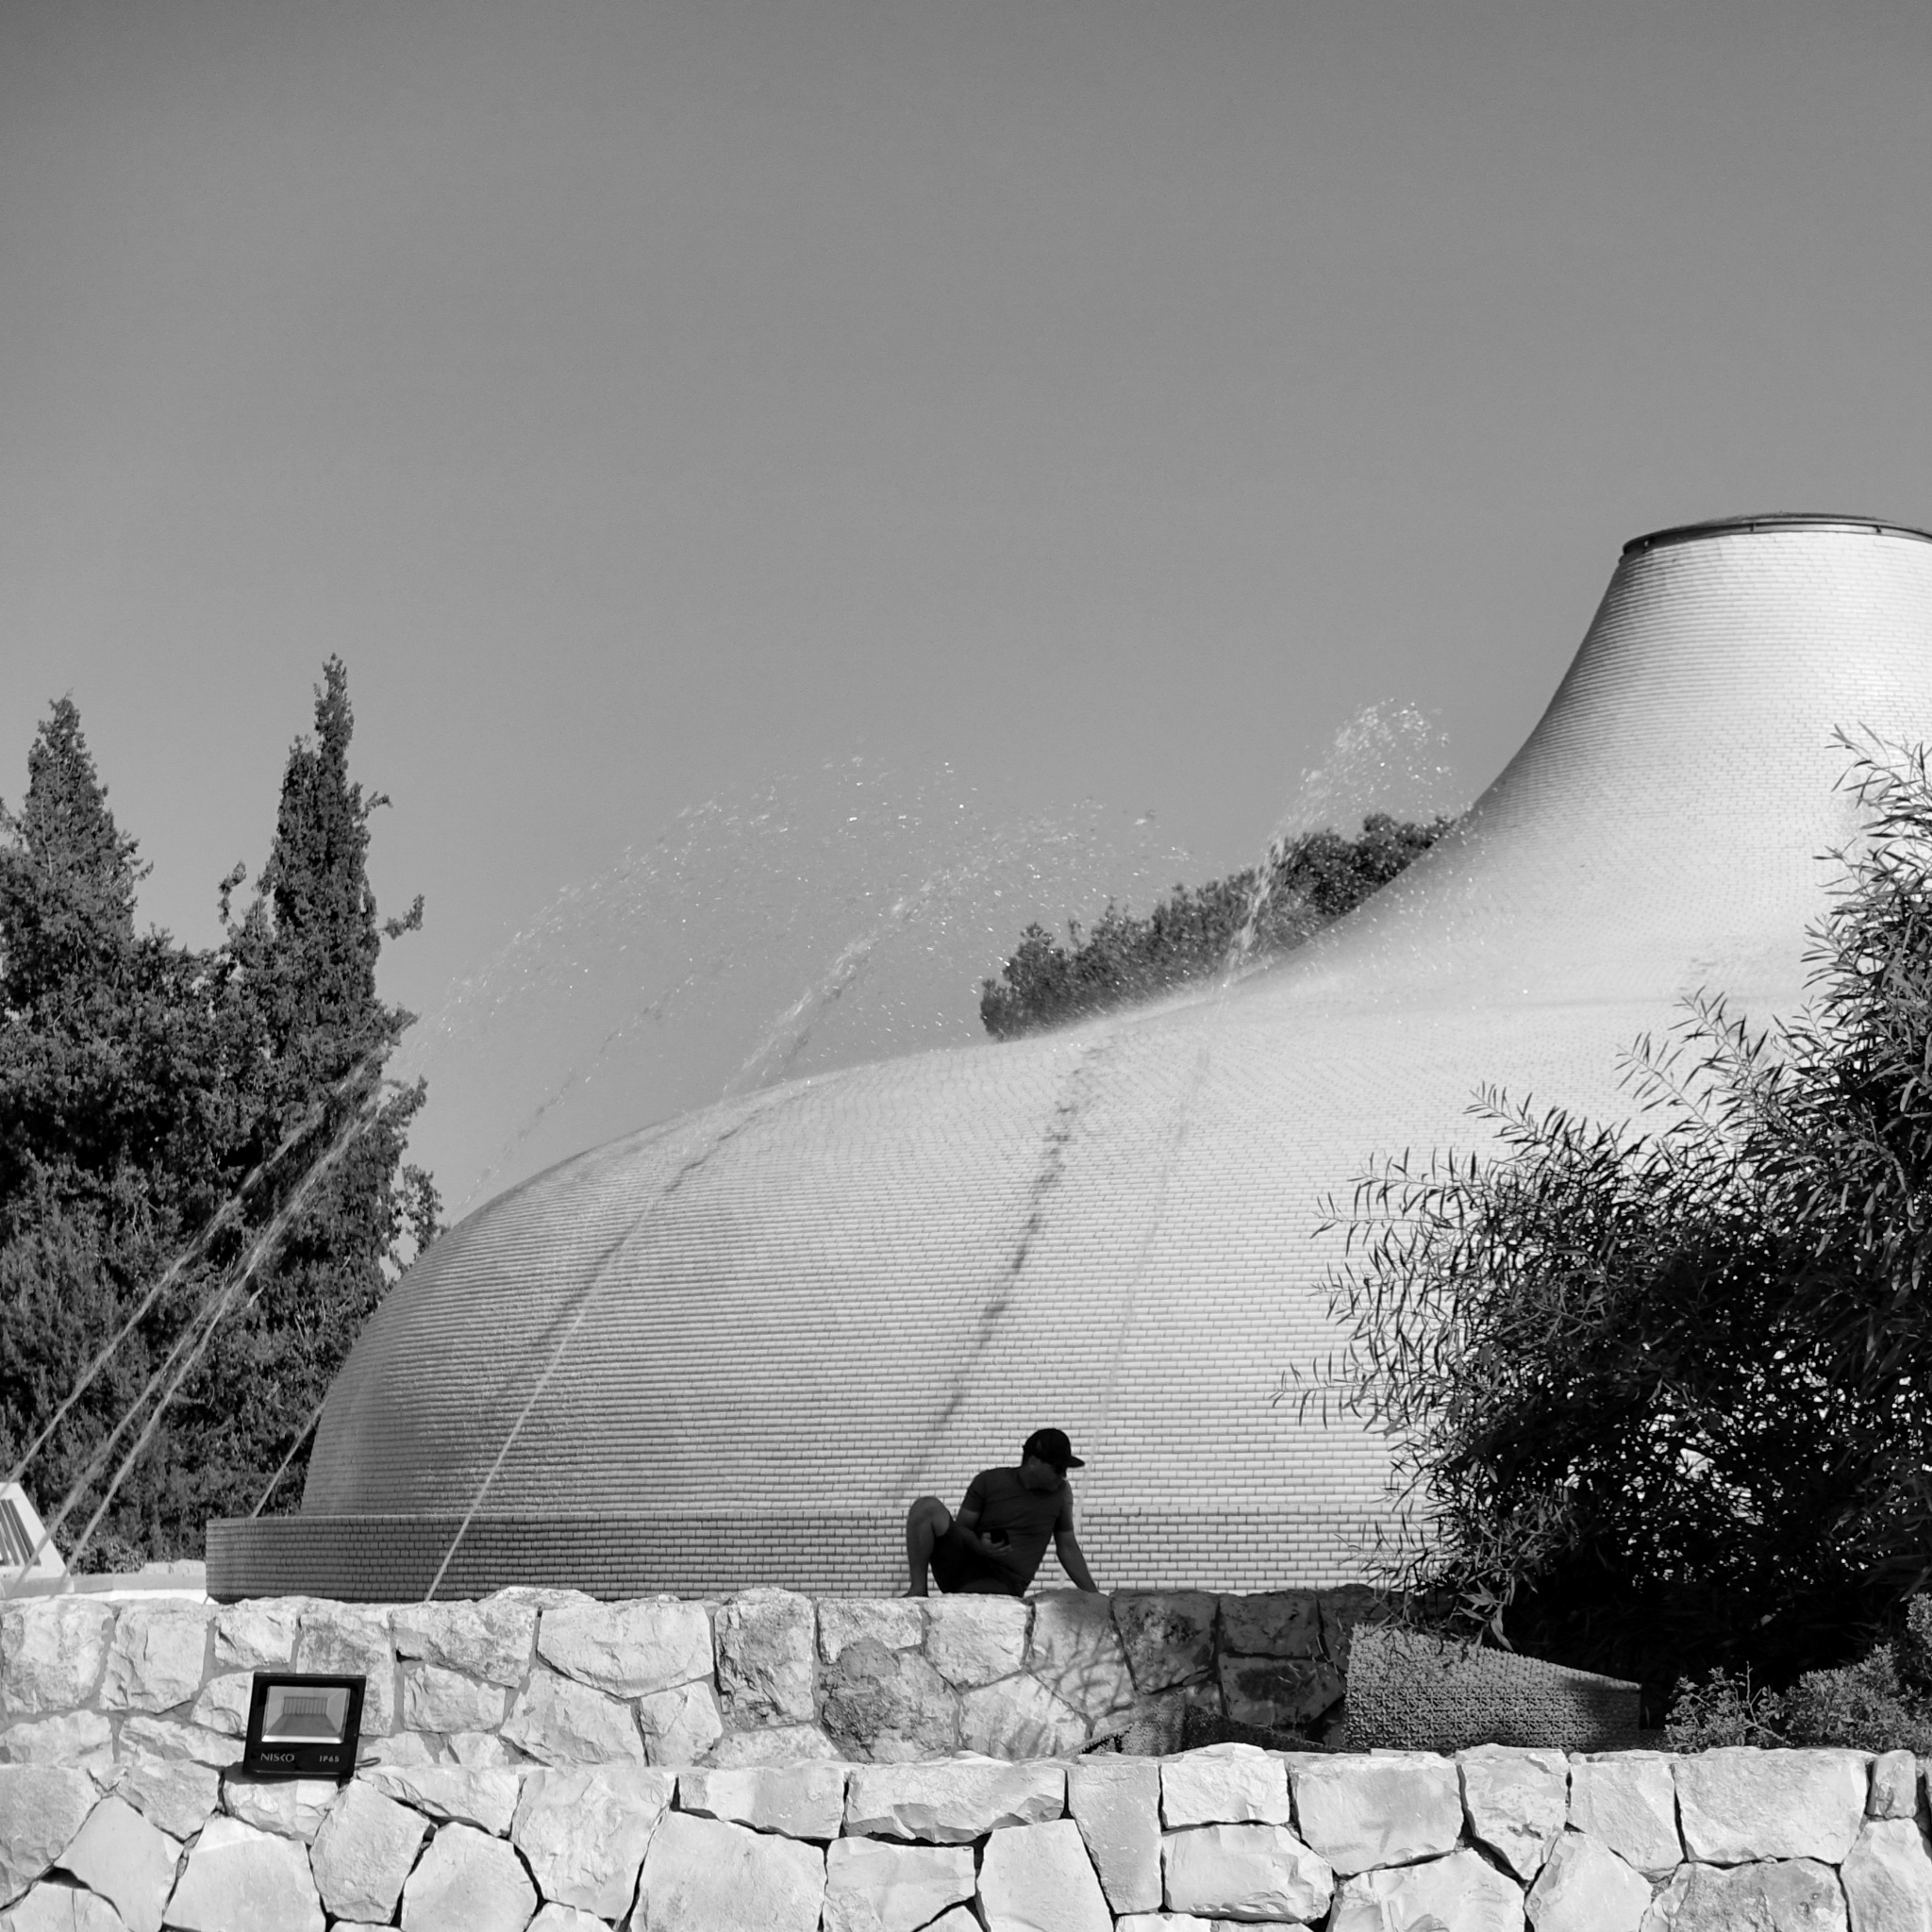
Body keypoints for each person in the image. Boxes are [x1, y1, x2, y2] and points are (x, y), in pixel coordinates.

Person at [904, 1427, 1099, 1597]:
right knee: (927, 1507)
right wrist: (980, 1546)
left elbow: (1067, 1547)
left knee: (982, 1593)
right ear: (1033, 1462)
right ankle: (918, 1589)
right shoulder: (989, 1481)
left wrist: (1095, 1597)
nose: (1063, 1476)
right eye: (1058, 1469)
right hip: (964, 1565)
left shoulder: (1061, 1494)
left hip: (1005, 1581)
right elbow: (962, 1528)